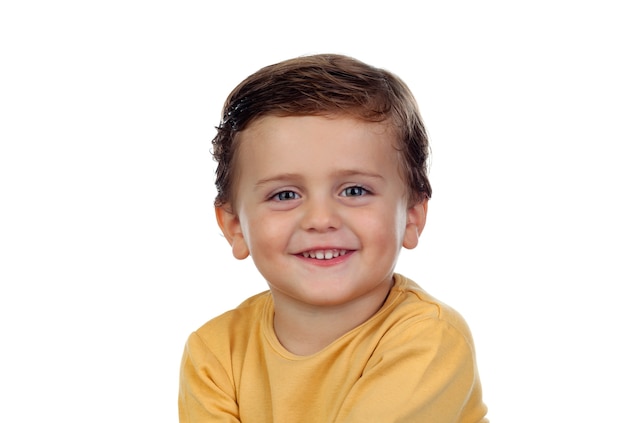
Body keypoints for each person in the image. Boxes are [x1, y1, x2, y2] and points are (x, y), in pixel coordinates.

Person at [178, 53, 488, 422]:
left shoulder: (430, 339)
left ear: (412, 216)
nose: (321, 220)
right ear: (234, 227)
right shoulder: (215, 352)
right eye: (285, 195)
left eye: (355, 191)